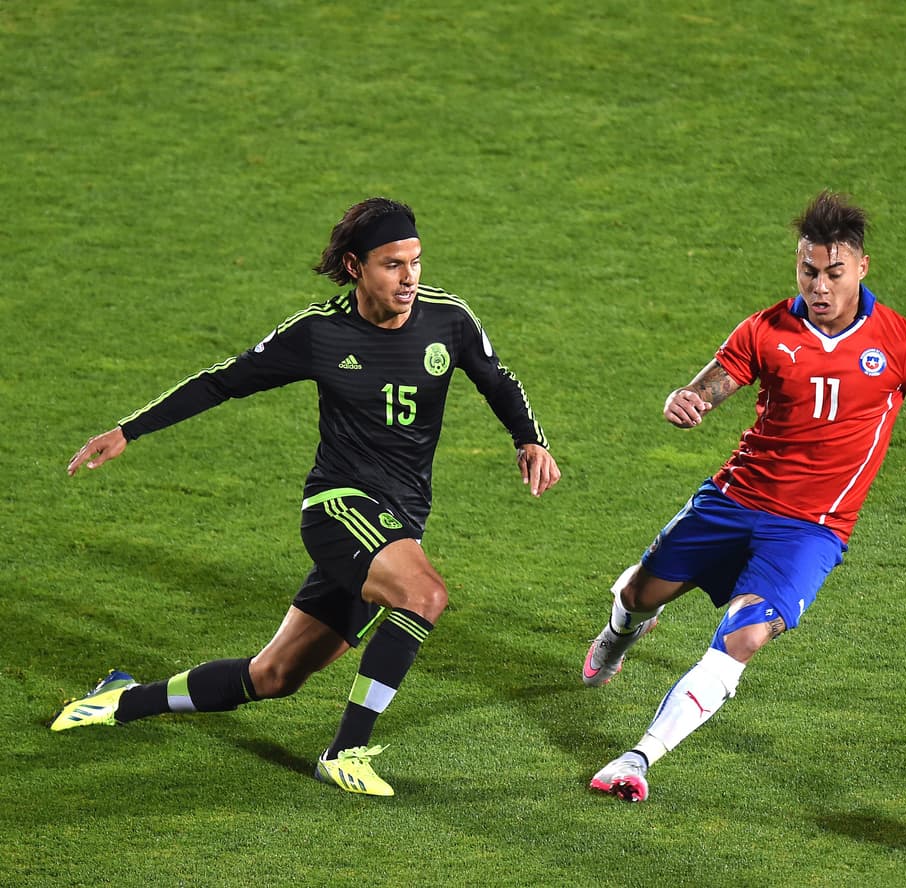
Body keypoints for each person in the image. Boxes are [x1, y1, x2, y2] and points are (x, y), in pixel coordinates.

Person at [54, 197, 561, 797]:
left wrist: (529, 438)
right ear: (355, 266)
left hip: (399, 521)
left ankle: (122, 700)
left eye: (416, 262)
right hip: (339, 506)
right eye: (392, 264)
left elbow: (497, 379)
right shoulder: (319, 333)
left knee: (273, 675)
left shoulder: (448, 319)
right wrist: (128, 430)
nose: (409, 278)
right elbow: (223, 382)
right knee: (424, 595)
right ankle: (345, 753)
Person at [582, 191, 906, 802]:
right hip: (734, 500)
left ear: (862, 267)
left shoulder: (904, 344)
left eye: (834, 273)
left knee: (744, 635)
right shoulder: (767, 330)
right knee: (638, 594)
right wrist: (687, 400)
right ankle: (618, 634)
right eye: (808, 271)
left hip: (812, 528)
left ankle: (637, 758)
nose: (820, 286)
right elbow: (709, 386)